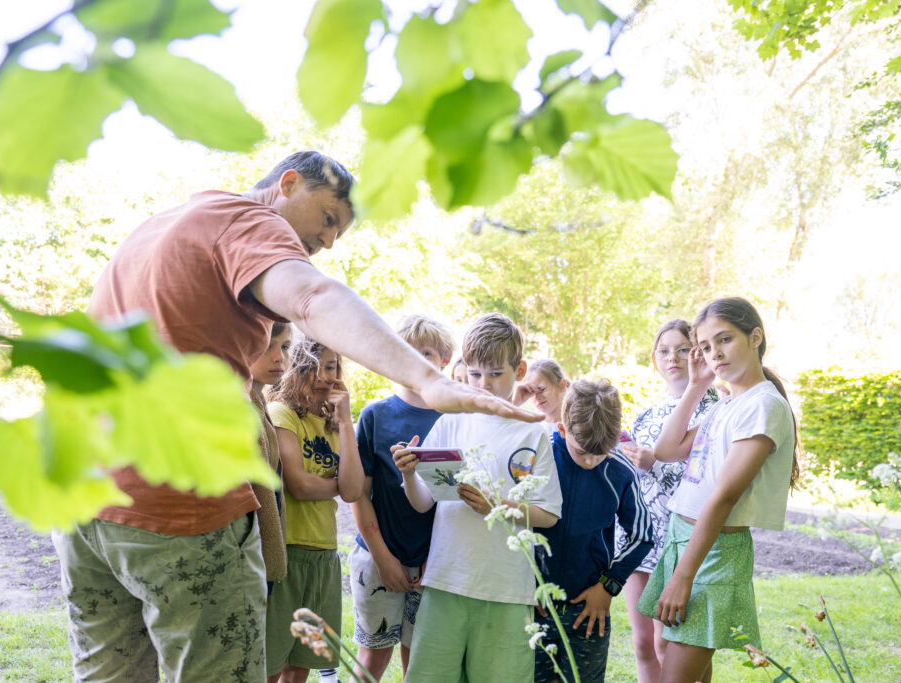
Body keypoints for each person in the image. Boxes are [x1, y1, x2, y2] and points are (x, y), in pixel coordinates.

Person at [54, 150, 540, 683]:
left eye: (340, 232)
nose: (328, 242)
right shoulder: (247, 222)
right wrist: (428, 379)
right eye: (329, 218)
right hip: (175, 503)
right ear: (287, 184)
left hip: (84, 498)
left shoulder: (161, 227)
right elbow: (310, 295)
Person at [392, 313, 564, 683]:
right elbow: (423, 502)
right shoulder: (450, 421)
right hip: (445, 581)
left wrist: (498, 507)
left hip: (506, 590)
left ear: (519, 369)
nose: (483, 384)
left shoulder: (533, 433)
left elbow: (548, 515)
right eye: (474, 374)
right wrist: (409, 474)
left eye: (495, 373)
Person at [636, 297, 799, 683]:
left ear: (755, 336)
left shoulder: (763, 406)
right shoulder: (726, 403)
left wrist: (683, 577)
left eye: (724, 340)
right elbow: (666, 450)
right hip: (684, 541)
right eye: (706, 347)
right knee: (682, 666)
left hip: (713, 554)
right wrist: (695, 385)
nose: (715, 354)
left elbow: (723, 498)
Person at [347, 314, 454, 682]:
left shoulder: (453, 419)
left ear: (445, 360)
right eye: (406, 351)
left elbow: (450, 499)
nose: (416, 359)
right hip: (378, 556)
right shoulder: (375, 416)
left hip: (431, 565)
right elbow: (359, 495)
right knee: (373, 658)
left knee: (419, 661)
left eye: (426, 352)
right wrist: (384, 558)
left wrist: (436, 558)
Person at [617, 320, 719, 683]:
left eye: (681, 349)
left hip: (678, 537)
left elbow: (702, 472)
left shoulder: (715, 406)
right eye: (663, 350)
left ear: (697, 354)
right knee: (644, 644)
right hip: (639, 533)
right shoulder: (648, 411)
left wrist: (652, 460)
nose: (671, 357)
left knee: (672, 644)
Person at [533, 379, 653, 683]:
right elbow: (514, 521)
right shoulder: (537, 459)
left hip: (588, 608)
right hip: (533, 606)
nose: (591, 461)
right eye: (583, 451)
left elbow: (642, 535)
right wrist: (525, 583)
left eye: (600, 452)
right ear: (562, 430)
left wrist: (608, 587)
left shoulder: (621, 470)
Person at [265, 338, 363, 683]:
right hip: (287, 554)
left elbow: (353, 491)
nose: (324, 375)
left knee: (302, 664)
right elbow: (300, 485)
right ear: (296, 369)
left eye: (333, 366)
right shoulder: (282, 412)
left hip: (324, 555)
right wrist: (336, 484)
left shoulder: (335, 422)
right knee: (271, 665)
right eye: (314, 366)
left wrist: (346, 421)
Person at [248, 321, 293, 586]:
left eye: (285, 346)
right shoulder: (241, 406)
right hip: (249, 562)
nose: (279, 357)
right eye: (267, 346)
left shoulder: (260, 401)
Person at [515, 359, 570, 434]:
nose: (536, 397)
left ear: (562, 385)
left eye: (542, 389)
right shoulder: (531, 426)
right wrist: (515, 403)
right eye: (531, 392)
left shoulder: (578, 423)